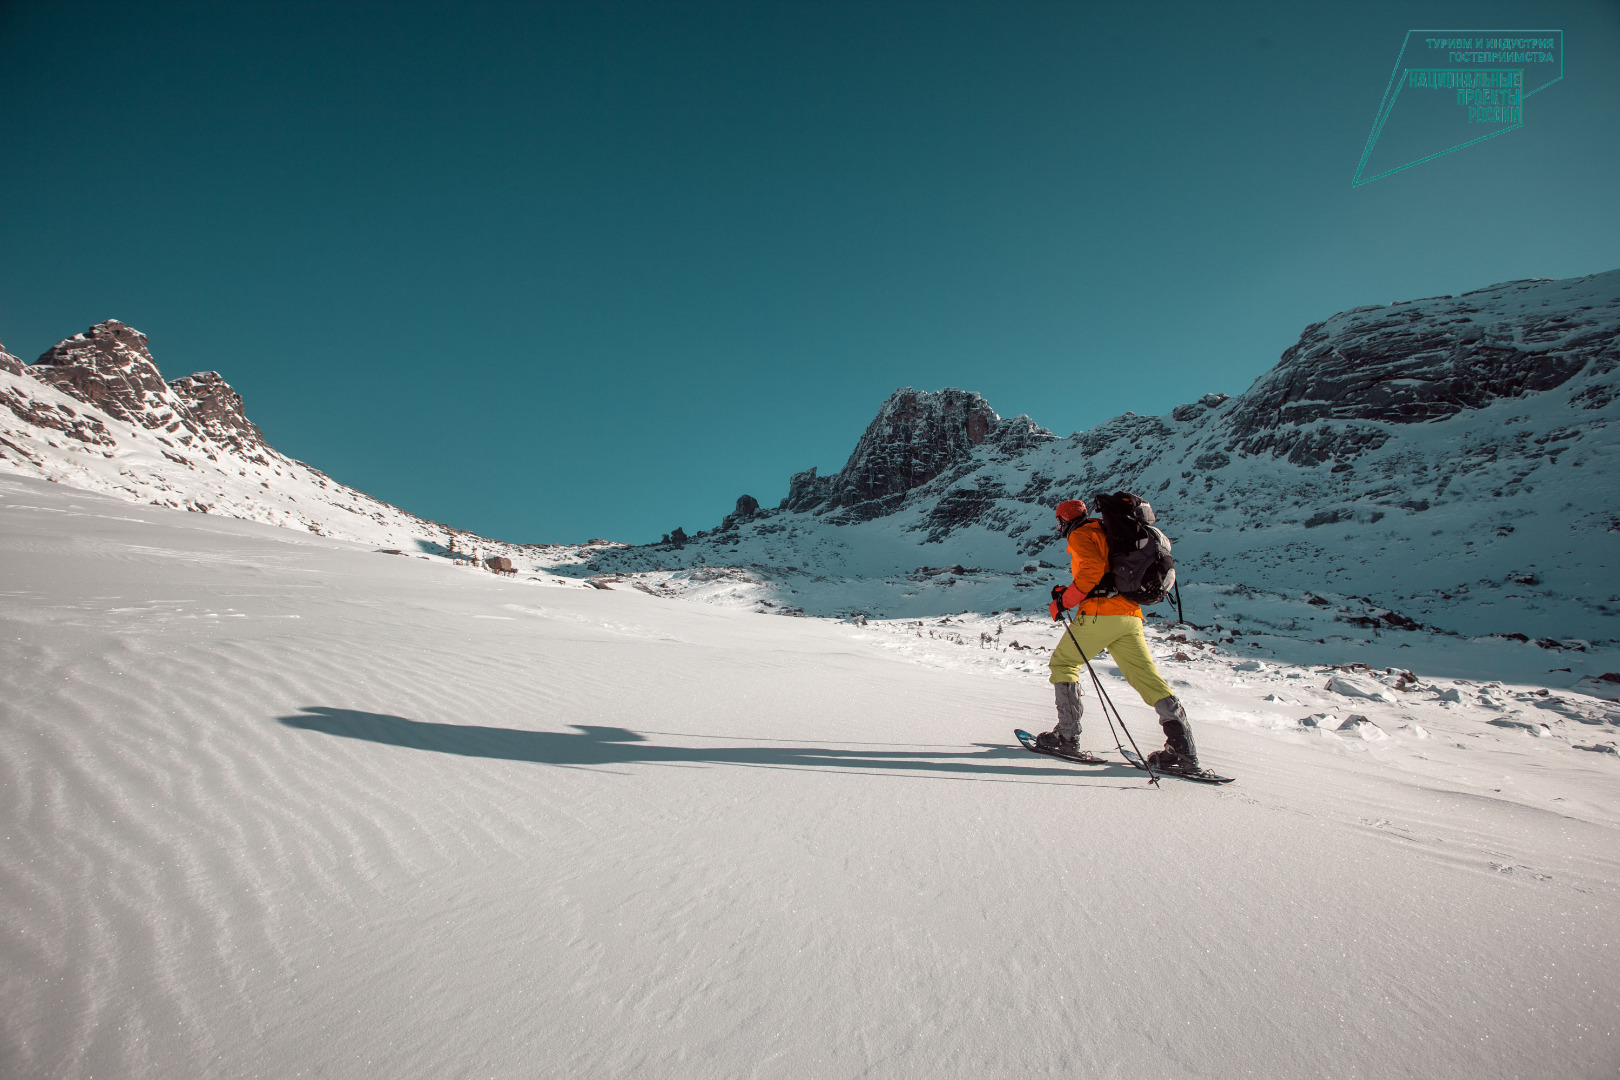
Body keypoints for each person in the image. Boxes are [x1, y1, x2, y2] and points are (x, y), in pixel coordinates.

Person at [1035, 498, 1201, 772]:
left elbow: (1091, 572)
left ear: (1064, 520)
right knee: (1147, 679)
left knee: (1063, 663)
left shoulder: (1081, 533)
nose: (1059, 527)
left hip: (1101, 614)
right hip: (1129, 616)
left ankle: (1066, 737)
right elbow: (1107, 573)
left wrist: (1063, 602)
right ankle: (1182, 750)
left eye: (1059, 522)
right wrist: (1067, 591)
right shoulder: (1107, 531)